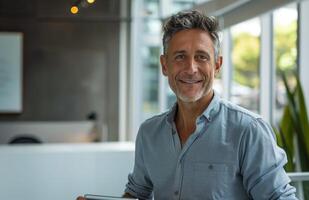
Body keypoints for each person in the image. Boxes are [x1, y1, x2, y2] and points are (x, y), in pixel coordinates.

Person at [77, 10, 297, 200]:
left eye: (201, 57)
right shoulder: (149, 133)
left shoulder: (249, 130)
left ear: (217, 65)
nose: (191, 68)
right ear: (164, 65)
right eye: (180, 57)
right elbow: (137, 195)